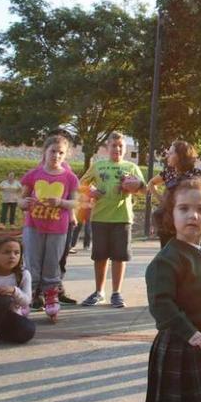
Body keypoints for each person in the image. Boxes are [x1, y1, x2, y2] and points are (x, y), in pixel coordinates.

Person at [145, 178, 201, 402]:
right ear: (170, 214)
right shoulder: (167, 260)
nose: (193, 215)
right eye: (184, 208)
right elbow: (161, 306)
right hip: (180, 343)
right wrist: (190, 333)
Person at [80, 132, 145, 308]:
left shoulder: (131, 167)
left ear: (125, 149)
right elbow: (81, 185)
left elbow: (143, 189)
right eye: (113, 146)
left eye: (120, 146)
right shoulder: (98, 166)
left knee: (119, 257)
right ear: (107, 147)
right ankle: (99, 291)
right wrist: (90, 192)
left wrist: (133, 187)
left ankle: (116, 293)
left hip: (122, 218)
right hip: (100, 217)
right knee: (99, 257)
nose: (117, 149)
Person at [18, 134, 79, 321]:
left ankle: (51, 295)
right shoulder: (33, 175)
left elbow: (75, 202)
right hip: (33, 226)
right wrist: (24, 203)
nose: (56, 156)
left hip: (57, 228)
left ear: (66, 155)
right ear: (45, 151)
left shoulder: (70, 177)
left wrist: (60, 202)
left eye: (61, 153)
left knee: (52, 263)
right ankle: (28, 295)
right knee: (32, 262)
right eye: (53, 151)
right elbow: (20, 200)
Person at [147, 141, 201, 247]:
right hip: (168, 220)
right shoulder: (169, 172)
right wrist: (161, 199)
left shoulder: (195, 173)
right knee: (168, 252)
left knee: (187, 252)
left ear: (181, 156)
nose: (167, 155)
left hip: (186, 220)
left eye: (171, 153)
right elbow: (151, 183)